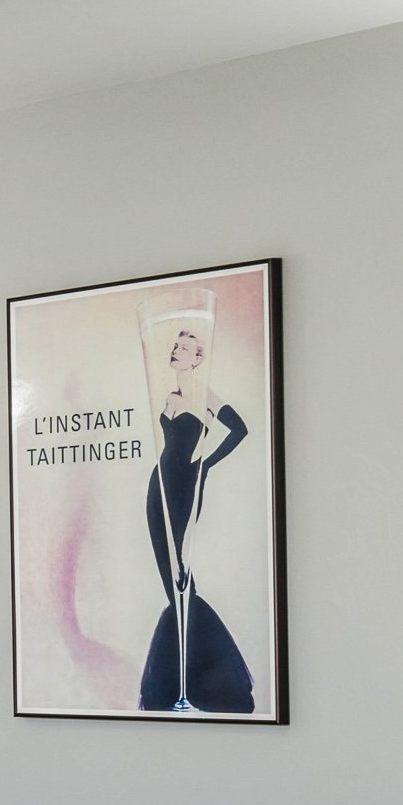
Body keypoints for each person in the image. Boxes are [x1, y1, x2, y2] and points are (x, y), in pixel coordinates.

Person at [136, 306, 256, 715]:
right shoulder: (170, 397)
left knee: (181, 576)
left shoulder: (205, 395)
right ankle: (182, 680)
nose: (176, 350)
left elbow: (240, 429)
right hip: (158, 485)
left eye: (185, 347)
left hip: (186, 485)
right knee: (169, 580)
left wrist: (206, 466)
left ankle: (203, 678)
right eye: (175, 345)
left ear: (198, 358)